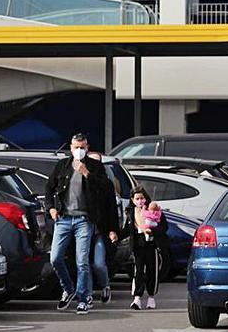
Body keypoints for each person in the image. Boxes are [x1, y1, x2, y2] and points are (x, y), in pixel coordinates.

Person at [44, 134, 117, 315]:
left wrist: (86, 173)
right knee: (55, 258)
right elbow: (49, 187)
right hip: (63, 218)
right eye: (76, 147)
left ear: (87, 147)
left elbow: (105, 189)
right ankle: (68, 289)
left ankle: (84, 298)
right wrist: (51, 208)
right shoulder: (63, 166)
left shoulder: (95, 166)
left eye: (82, 147)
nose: (79, 150)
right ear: (70, 147)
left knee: (82, 261)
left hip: (84, 219)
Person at [125, 187, 167, 310]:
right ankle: (137, 297)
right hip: (138, 246)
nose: (140, 201)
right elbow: (127, 230)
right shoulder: (131, 213)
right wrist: (115, 236)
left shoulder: (153, 210)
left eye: (142, 198)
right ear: (132, 200)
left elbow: (164, 227)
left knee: (152, 271)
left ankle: (151, 297)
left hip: (151, 244)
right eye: (137, 198)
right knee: (138, 271)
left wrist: (153, 231)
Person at [86, 150, 120, 304]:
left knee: (98, 263)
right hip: (83, 228)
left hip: (100, 229)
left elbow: (111, 208)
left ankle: (105, 285)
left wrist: (113, 230)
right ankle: (88, 294)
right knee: (82, 262)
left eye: (97, 162)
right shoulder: (80, 180)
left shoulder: (106, 184)